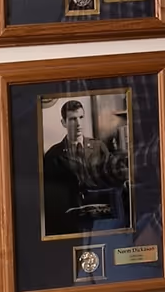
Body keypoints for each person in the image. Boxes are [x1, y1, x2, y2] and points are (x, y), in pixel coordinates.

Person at [42, 98, 130, 236]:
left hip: (102, 219)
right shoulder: (53, 155)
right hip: (71, 223)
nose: (78, 124)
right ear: (64, 122)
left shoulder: (98, 147)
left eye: (81, 117)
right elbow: (51, 199)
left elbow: (116, 174)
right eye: (72, 119)